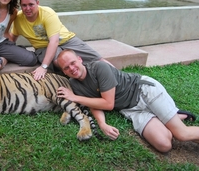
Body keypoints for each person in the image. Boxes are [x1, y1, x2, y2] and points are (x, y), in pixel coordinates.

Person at [56, 49, 198, 153]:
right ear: (64, 72)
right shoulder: (74, 84)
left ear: (80, 59)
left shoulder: (99, 67)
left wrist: (74, 97)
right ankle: (171, 116)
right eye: (66, 68)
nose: (72, 69)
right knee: (164, 145)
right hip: (130, 109)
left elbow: (108, 104)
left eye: (73, 63)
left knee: (182, 134)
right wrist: (103, 124)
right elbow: (92, 102)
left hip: (143, 92)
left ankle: (171, 117)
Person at [10, 0, 112, 80]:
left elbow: (54, 41)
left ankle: (120, 78)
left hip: (67, 40)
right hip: (43, 48)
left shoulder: (47, 13)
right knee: (60, 62)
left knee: (98, 59)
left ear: (37, 3)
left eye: (31, 4)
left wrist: (43, 66)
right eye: (24, 5)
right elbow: (12, 39)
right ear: (21, 5)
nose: (27, 8)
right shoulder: (18, 19)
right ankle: (87, 82)